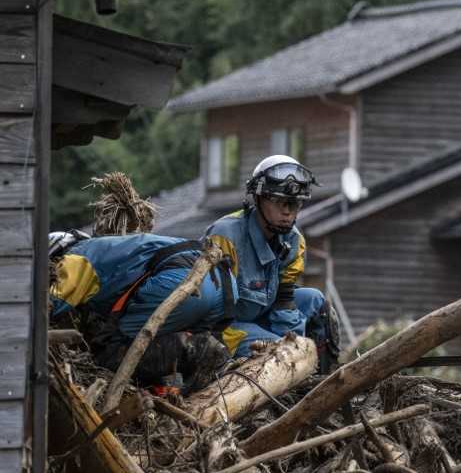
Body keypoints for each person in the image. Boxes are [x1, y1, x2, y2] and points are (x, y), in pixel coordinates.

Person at [48, 230, 236, 393]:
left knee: (112, 354)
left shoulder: (74, 257)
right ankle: (207, 362)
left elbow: (49, 306)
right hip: (222, 280)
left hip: (183, 280)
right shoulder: (110, 247)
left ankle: (198, 349)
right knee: (169, 348)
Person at [205, 155, 340, 369]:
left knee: (316, 300)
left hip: (264, 315)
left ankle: (322, 379)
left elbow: (283, 303)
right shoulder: (225, 237)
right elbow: (209, 313)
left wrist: (294, 342)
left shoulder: (295, 240)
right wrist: (286, 349)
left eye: (294, 204)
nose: (287, 211)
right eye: (278, 202)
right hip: (225, 328)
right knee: (281, 354)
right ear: (258, 199)